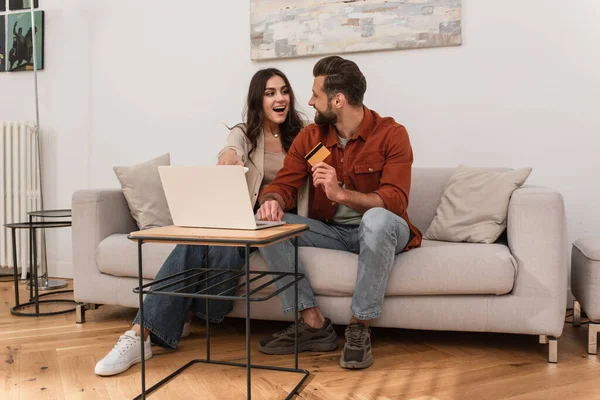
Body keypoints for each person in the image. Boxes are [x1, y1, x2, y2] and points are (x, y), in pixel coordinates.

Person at [94, 68, 307, 376]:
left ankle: (182, 314)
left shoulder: (306, 132)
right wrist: (229, 156)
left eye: (284, 91)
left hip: (281, 221)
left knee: (216, 252)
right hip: (242, 219)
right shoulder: (245, 132)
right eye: (270, 93)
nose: (280, 98)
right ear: (257, 100)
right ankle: (137, 335)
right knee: (194, 241)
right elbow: (231, 147)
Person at [255, 56, 423, 369]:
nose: (309, 101)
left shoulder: (392, 134)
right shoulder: (311, 137)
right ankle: (313, 323)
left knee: (376, 218)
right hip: (331, 232)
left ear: (338, 100)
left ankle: (359, 327)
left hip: (385, 230)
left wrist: (340, 194)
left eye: (316, 95)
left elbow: (395, 201)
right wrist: (273, 199)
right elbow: (285, 182)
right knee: (264, 222)